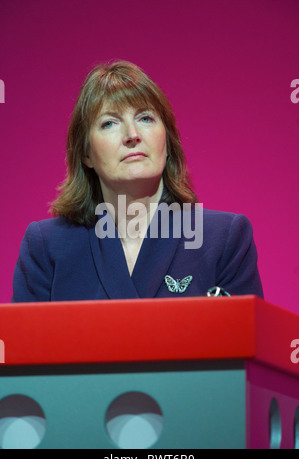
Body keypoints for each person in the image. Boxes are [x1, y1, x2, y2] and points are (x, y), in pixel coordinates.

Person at [11, 61, 263, 302]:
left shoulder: (224, 238)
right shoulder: (46, 246)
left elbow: (247, 343)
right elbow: (25, 345)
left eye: (145, 118)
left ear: (167, 141)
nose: (132, 135)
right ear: (86, 154)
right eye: (109, 123)